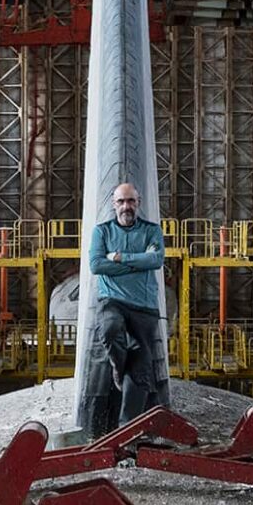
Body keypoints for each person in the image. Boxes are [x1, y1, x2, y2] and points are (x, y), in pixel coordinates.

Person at [88, 181, 166, 424]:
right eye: (121, 201)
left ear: (138, 203)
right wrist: (136, 263)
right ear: (114, 204)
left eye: (131, 201)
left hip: (144, 306)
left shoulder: (151, 231)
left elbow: (155, 260)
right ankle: (117, 368)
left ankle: (126, 428)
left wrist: (120, 258)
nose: (126, 206)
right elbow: (97, 265)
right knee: (110, 329)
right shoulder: (102, 232)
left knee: (141, 372)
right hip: (113, 301)